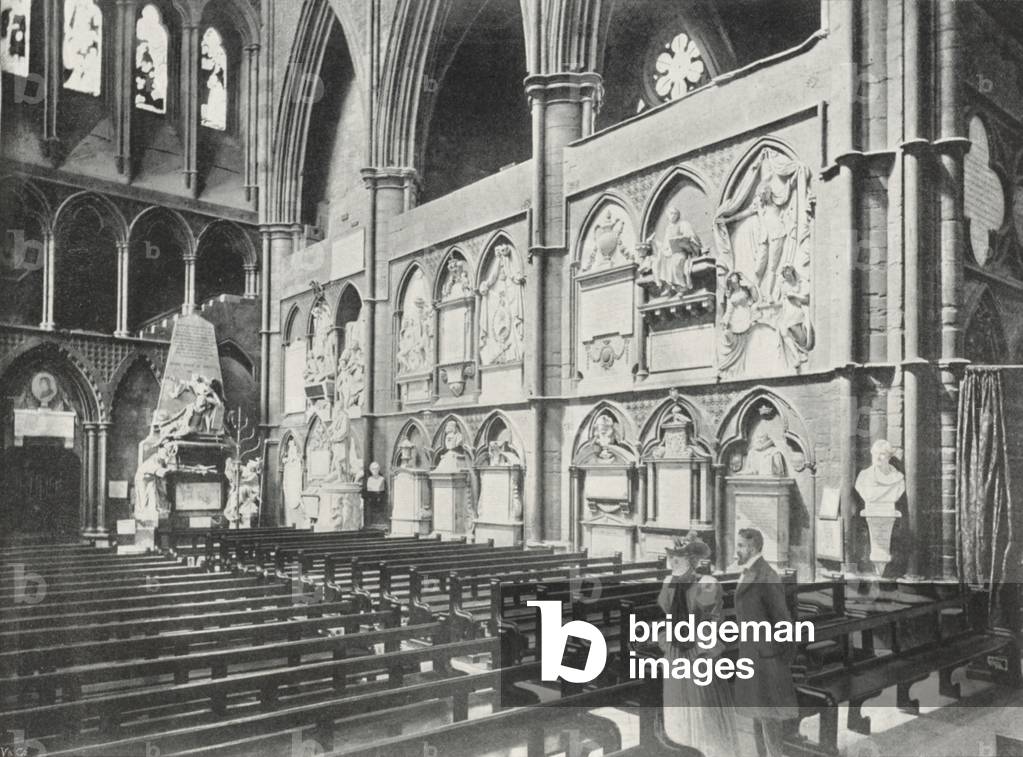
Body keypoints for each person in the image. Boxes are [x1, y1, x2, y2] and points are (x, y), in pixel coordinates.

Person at [658, 535, 738, 757]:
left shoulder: (707, 584)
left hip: (698, 651)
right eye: (671, 557)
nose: (673, 562)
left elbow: (713, 619)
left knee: (702, 702)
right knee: (677, 702)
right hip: (676, 650)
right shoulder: (668, 583)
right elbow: (667, 612)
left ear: (692, 561)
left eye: (679, 558)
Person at [733, 528, 798, 757]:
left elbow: (783, 621)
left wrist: (782, 657)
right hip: (752, 652)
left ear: (752, 548)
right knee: (758, 713)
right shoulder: (750, 571)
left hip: (766, 656)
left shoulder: (766, 575)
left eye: (740, 545)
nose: (737, 549)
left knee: (770, 717)